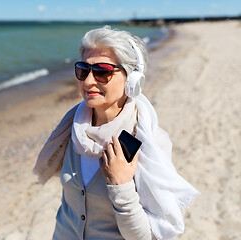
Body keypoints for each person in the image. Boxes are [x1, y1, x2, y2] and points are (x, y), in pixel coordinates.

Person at [33, 26, 199, 240]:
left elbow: (148, 236)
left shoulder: (149, 142)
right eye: (83, 70)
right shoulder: (73, 128)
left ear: (132, 79)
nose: (88, 81)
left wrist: (120, 186)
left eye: (103, 71)